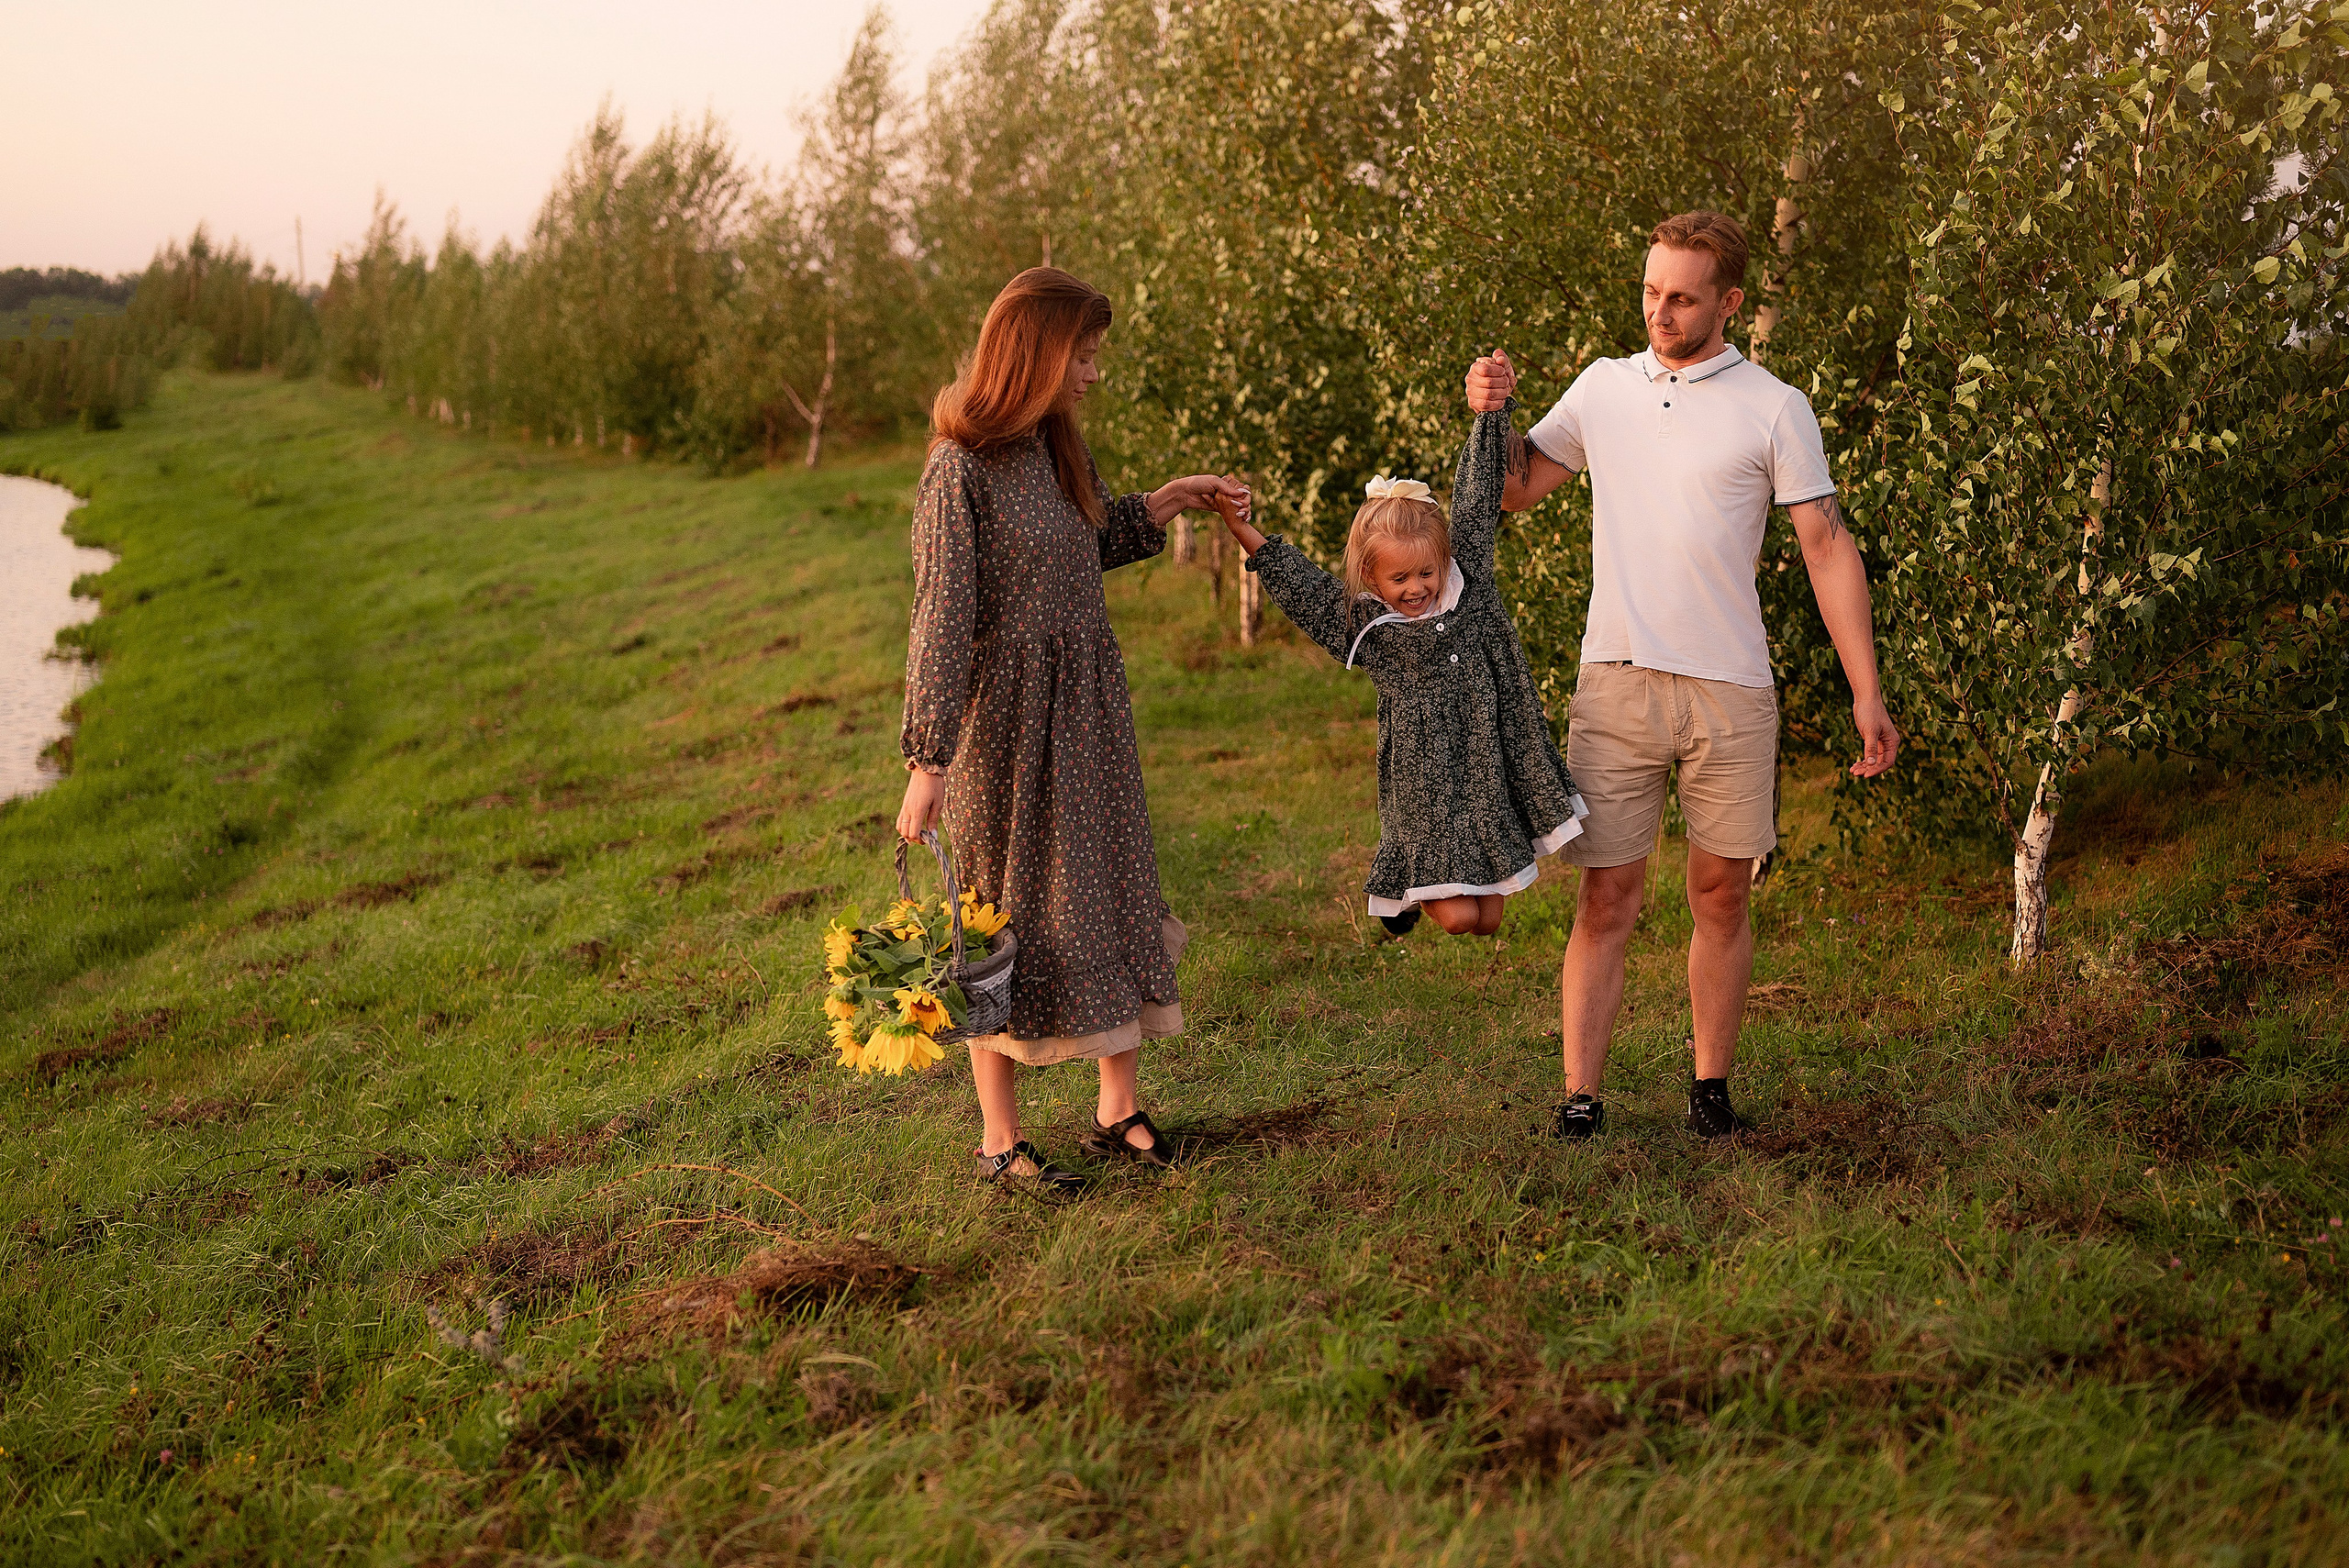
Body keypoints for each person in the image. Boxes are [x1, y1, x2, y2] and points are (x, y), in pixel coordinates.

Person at [1463, 210, 1899, 1141]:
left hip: (1728, 688)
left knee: (1720, 892)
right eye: (1651, 291)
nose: (1660, 310)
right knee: (1606, 892)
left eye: (1682, 296)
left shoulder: (1773, 404)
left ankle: (1709, 1086)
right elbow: (1512, 490)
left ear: (1729, 301)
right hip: (1615, 678)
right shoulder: (1602, 388)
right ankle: (1580, 1094)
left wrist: (1866, 689)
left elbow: (1824, 544)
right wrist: (1490, 412)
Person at [896, 267, 1249, 1188]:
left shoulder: (1058, 446)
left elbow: (1086, 544)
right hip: (1005, 724)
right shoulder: (957, 468)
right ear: (1034, 354)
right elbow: (941, 616)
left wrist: (1165, 500)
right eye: (1081, 356)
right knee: (1003, 912)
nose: (1091, 374)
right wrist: (927, 758)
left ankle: (1116, 1106)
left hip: (1087, 704)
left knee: (1106, 886)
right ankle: (999, 1138)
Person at [1209, 403, 1586, 939]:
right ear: (1371, 575)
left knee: (1486, 921)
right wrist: (1240, 526)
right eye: (1401, 577)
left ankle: (1407, 893)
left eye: (1427, 572)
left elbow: (1478, 497)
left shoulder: (1468, 583)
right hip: (1423, 789)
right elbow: (1302, 589)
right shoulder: (1370, 628)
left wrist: (1491, 413)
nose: (1417, 588)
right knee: (1458, 919)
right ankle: (1402, 892)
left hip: (1482, 775)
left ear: (1445, 561)